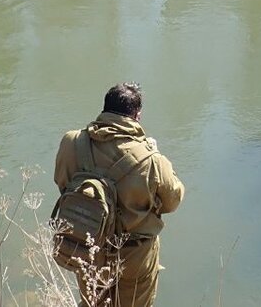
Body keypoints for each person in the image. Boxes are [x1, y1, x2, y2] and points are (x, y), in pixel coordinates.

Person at [54, 83, 185, 307]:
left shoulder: (72, 142)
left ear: (104, 109)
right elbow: (173, 200)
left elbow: (63, 184)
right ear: (137, 115)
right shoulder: (151, 159)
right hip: (135, 255)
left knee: (93, 303)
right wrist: (155, 153)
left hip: (88, 243)